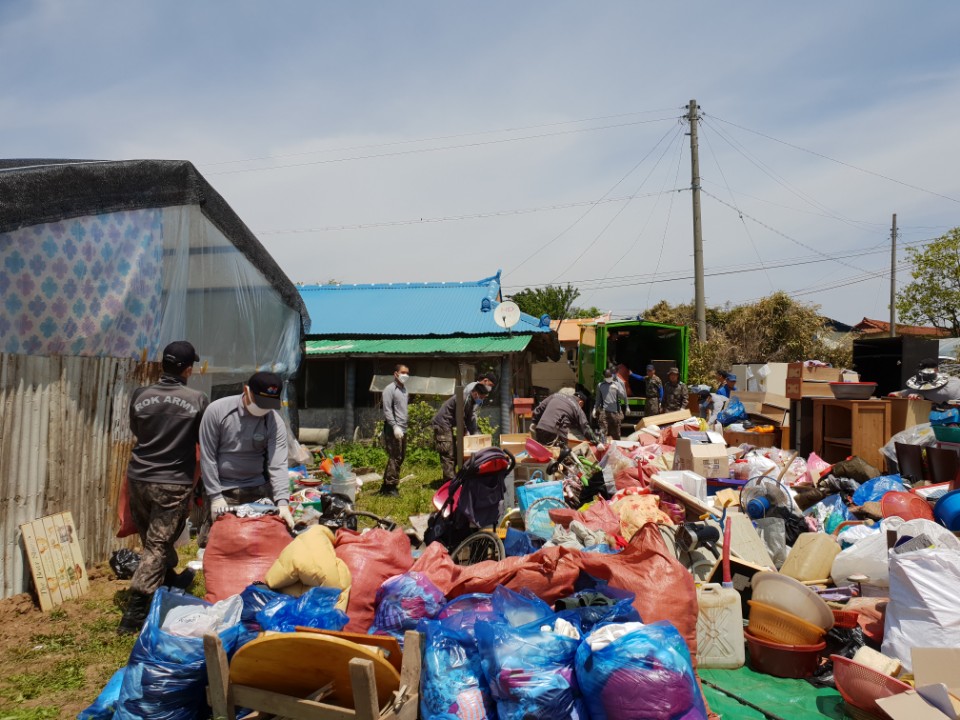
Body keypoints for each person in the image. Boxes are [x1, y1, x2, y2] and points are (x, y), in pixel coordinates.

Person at [119, 341, 208, 634]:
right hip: (172, 482)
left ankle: (170, 581)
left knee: (152, 541)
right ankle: (135, 611)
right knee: (157, 544)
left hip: (139, 479)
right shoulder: (196, 400)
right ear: (187, 369)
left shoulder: (140, 395)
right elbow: (202, 440)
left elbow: (137, 429)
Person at [198, 371, 293, 546]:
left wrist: (282, 502)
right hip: (223, 489)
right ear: (246, 391)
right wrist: (215, 496)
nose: (263, 409)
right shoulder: (218, 411)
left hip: (257, 490)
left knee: (258, 543)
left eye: (268, 404)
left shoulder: (273, 421)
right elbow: (208, 456)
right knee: (218, 544)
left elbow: (278, 464)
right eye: (259, 402)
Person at [433, 383, 490, 483]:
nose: (482, 400)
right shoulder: (464, 399)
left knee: (454, 453)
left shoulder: (471, 401)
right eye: (481, 397)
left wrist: (475, 434)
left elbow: (469, 420)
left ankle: (454, 479)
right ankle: (449, 484)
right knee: (448, 453)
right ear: (476, 394)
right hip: (442, 424)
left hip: (448, 425)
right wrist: (465, 431)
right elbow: (461, 418)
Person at [380, 364, 410, 497]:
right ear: (396, 374)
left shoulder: (404, 390)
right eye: (403, 372)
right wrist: (394, 426)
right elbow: (387, 410)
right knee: (395, 457)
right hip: (393, 429)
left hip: (403, 428)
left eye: (407, 373)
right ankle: (391, 486)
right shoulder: (389, 389)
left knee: (400, 457)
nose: (405, 375)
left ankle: (385, 486)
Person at [532, 390, 599, 446]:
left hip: (541, 429)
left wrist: (534, 422)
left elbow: (538, 409)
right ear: (581, 402)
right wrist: (597, 443)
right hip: (557, 434)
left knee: (542, 455)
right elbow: (585, 427)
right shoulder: (577, 407)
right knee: (560, 457)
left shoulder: (555, 395)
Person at [890, 358, 960, 405]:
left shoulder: (953, 382)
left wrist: (923, 397)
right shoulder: (923, 386)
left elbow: (943, 395)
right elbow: (917, 390)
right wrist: (899, 393)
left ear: (935, 370)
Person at [594, 369, 627, 440]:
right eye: (607, 376)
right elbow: (598, 399)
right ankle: (602, 447)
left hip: (615, 412)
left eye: (610, 376)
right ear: (604, 377)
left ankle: (617, 448)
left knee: (616, 434)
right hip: (604, 412)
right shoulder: (600, 385)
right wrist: (595, 409)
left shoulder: (617, 384)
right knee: (603, 432)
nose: (609, 378)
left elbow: (623, 396)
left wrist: (617, 389)